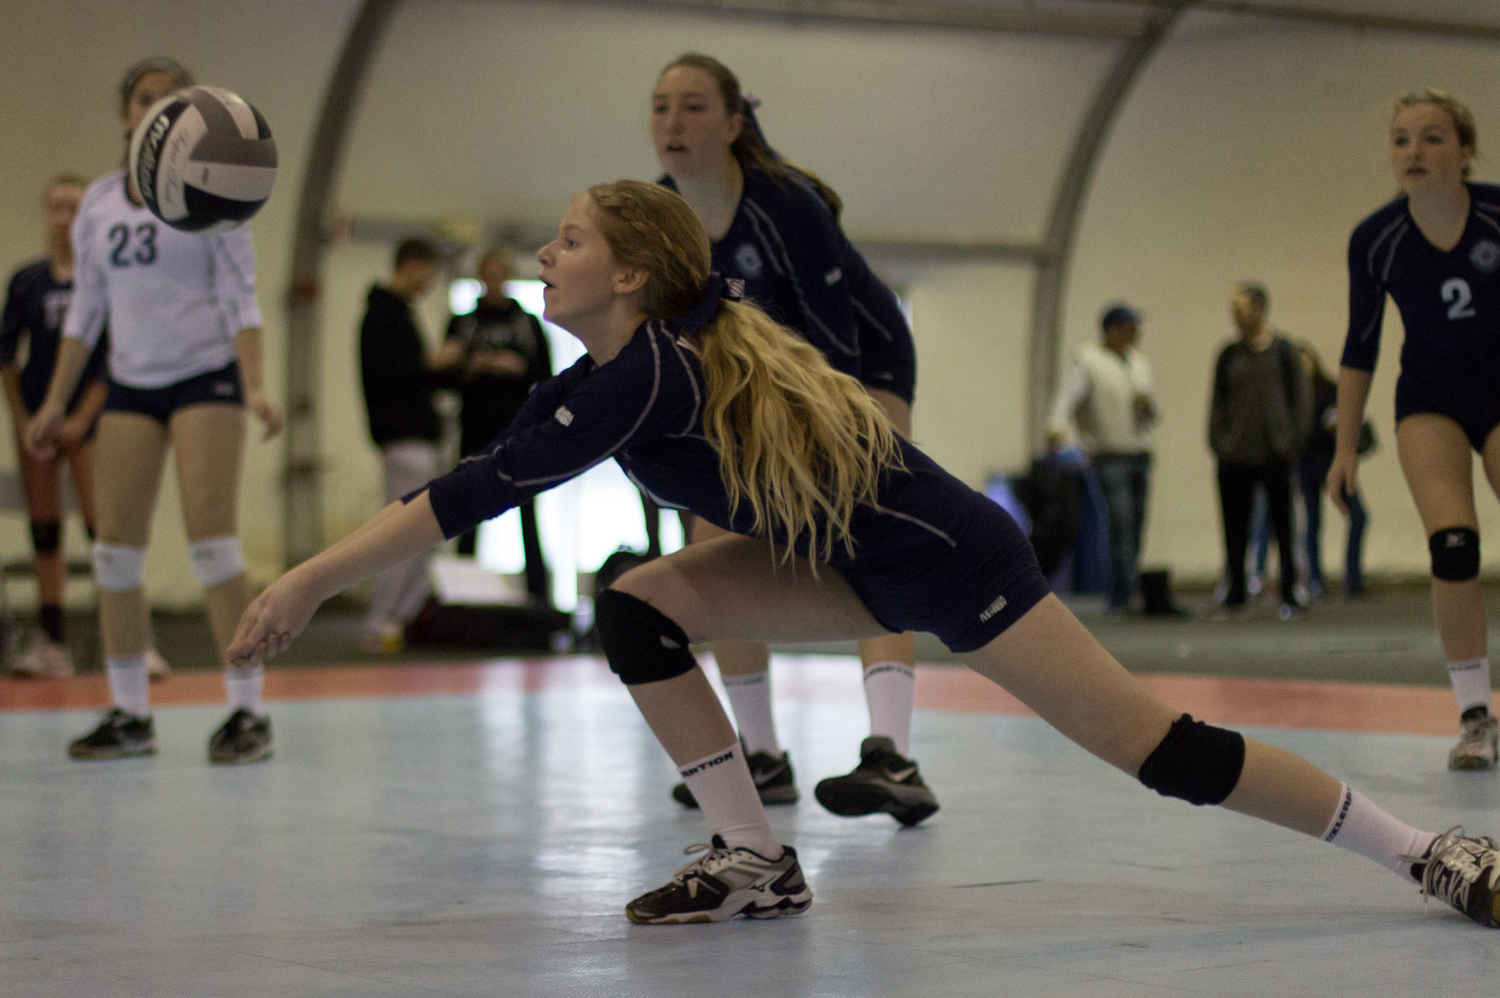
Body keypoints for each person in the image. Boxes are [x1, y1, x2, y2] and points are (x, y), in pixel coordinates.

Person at [231, 180, 1500, 930]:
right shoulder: (610, 369)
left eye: (568, 239)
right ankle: (755, 858)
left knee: (1161, 751)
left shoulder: (641, 373)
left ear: (630, 272)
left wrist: (299, 581)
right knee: (636, 608)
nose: (547, 256)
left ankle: (1423, 850)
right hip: (847, 566)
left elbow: (457, 499)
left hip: (948, 556)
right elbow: (474, 481)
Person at [651, 52, 934, 825]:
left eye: (693, 106)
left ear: (732, 123)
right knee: (711, 546)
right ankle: (762, 756)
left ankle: (893, 755)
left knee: (871, 536)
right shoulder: (659, 215)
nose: (673, 121)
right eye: (661, 106)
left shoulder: (787, 207)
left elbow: (836, 346)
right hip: (755, 384)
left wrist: (816, 446)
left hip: (860, 366)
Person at [27, 57, 281, 761]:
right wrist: (54, 402)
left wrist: (255, 386)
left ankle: (248, 711)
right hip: (131, 384)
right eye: (146, 98)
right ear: (125, 113)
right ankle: (130, 713)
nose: (158, 108)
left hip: (205, 378)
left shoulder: (219, 192)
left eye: (173, 98)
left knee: (213, 543)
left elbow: (241, 299)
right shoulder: (100, 202)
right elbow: (87, 309)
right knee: (113, 552)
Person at [1328, 89, 1500, 770]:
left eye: (1432, 137)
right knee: (1453, 548)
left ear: (1465, 150)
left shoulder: (1495, 215)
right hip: (1430, 400)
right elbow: (1359, 347)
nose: (1413, 151)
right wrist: (1344, 449)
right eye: (1401, 139)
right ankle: (1476, 718)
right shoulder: (1377, 239)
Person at [1, 175, 107, 678]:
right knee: (45, 531)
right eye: (56, 207)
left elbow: (113, 355)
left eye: (74, 207)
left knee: (102, 528)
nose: (64, 218)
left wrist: (82, 418)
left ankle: (126, 636)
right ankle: (52, 641)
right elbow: (6, 356)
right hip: (38, 423)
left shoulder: (99, 279)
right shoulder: (27, 281)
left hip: (87, 421)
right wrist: (24, 419)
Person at [432, 249, 551, 601]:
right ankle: (462, 594)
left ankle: (539, 595)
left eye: (501, 272)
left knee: (527, 510)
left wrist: (514, 367)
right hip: (475, 426)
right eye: (489, 272)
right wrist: (474, 367)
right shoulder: (463, 322)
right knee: (469, 506)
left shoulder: (526, 322)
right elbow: (442, 376)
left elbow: (546, 374)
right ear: (481, 276)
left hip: (517, 428)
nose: (494, 279)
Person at [1046, 302, 1158, 617]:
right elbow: (1067, 399)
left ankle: (1128, 589)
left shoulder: (1138, 362)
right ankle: (1120, 596)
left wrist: (1150, 408)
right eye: (1129, 327)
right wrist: (1056, 428)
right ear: (1112, 330)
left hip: (1139, 454)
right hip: (1108, 456)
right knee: (1119, 524)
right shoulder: (1088, 361)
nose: (1135, 333)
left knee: (1135, 526)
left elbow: (1154, 409)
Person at [357, 237, 443, 653]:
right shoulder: (381, 316)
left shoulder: (400, 312)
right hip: (402, 437)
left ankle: (399, 616)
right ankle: (381, 619)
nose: (431, 280)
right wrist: (431, 365)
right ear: (411, 265)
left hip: (415, 435)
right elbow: (387, 377)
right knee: (403, 534)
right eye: (430, 271)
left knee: (424, 534)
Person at [1207, 282, 1312, 619]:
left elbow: (1302, 400)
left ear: (1260, 309)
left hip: (1275, 454)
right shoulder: (1228, 355)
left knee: (1284, 526)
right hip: (1235, 456)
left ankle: (1291, 589)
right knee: (1234, 528)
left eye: (1242, 309)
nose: (1236, 316)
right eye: (1233, 311)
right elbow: (1217, 403)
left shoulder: (1284, 352)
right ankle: (1235, 590)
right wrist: (1220, 442)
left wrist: (1293, 440)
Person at [1295, 342, 1369, 600]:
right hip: (1307, 467)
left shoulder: (1330, 390)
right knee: (1312, 525)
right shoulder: (1292, 396)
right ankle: (1315, 580)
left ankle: (1353, 578)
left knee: (1358, 517)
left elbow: (1346, 419)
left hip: (1333, 464)